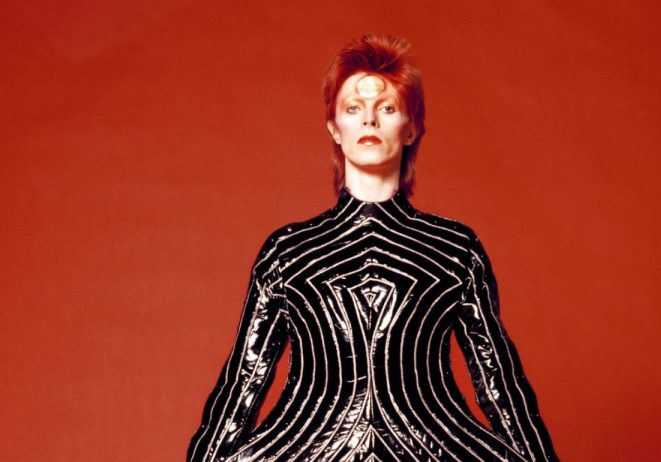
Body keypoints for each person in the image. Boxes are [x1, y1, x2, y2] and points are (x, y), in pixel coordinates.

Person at [187, 34, 558, 462]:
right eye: (353, 108)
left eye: (387, 108)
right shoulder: (288, 253)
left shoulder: (454, 250)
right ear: (334, 127)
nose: (369, 120)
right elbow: (243, 382)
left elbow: (500, 383)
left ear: (412, 127)